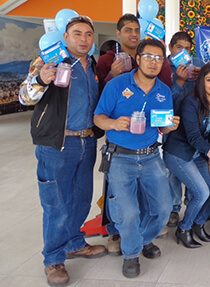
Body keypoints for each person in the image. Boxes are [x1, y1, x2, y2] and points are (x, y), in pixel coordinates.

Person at [19, 16, 107, 286]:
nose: (83, 39)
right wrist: (41, 79)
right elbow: (24, 97)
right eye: (77, 33)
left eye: (88, 34)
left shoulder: (91, 65)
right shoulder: (48, 61)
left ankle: (74, 243)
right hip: (57, 144)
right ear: (65, 38)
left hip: (87, 141)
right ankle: (54, 259)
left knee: (81, 199)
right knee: (56, 205)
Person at [94, 39, 179, 278]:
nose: (154, 62)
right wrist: (112, 123)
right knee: (128, 211)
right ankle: (131, 253)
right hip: (120, 157)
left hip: (151, 156)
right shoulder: (117, 85)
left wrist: (169, 127)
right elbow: (98, 117)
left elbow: (162, 128)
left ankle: (142, 239)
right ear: (138, 59)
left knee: (163, 208)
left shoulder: (163, 91)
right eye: (149, 57)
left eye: (159, 58)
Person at [163, 63, 210, 248]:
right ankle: (184, 228)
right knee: (201, 192)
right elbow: (194, 136)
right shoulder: (190, 102)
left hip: (198, 154)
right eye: (209, 80)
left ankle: (198, 223)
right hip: (179, 153)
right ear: (200, 81)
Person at [164, 31, 205, 230]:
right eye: (179, 47)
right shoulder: (163, 67)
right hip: (170, 125)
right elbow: (163, 101)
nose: (184, 52)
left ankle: (191, 204)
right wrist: (179, 81)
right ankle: (173, 207)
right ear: (171, 49)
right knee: (173, 170)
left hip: (193, 125)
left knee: (193, 164)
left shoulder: (196, 63)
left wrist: (200, 79)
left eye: (187, 48)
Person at [96, 13, 172, 91]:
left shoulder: (148, 58)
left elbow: (166, 83)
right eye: (128, 30)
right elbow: (99, 92)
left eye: (137, 30)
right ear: (118, 34)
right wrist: (112, 75)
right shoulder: (106, 60)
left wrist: (161, 55)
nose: (134, 34)